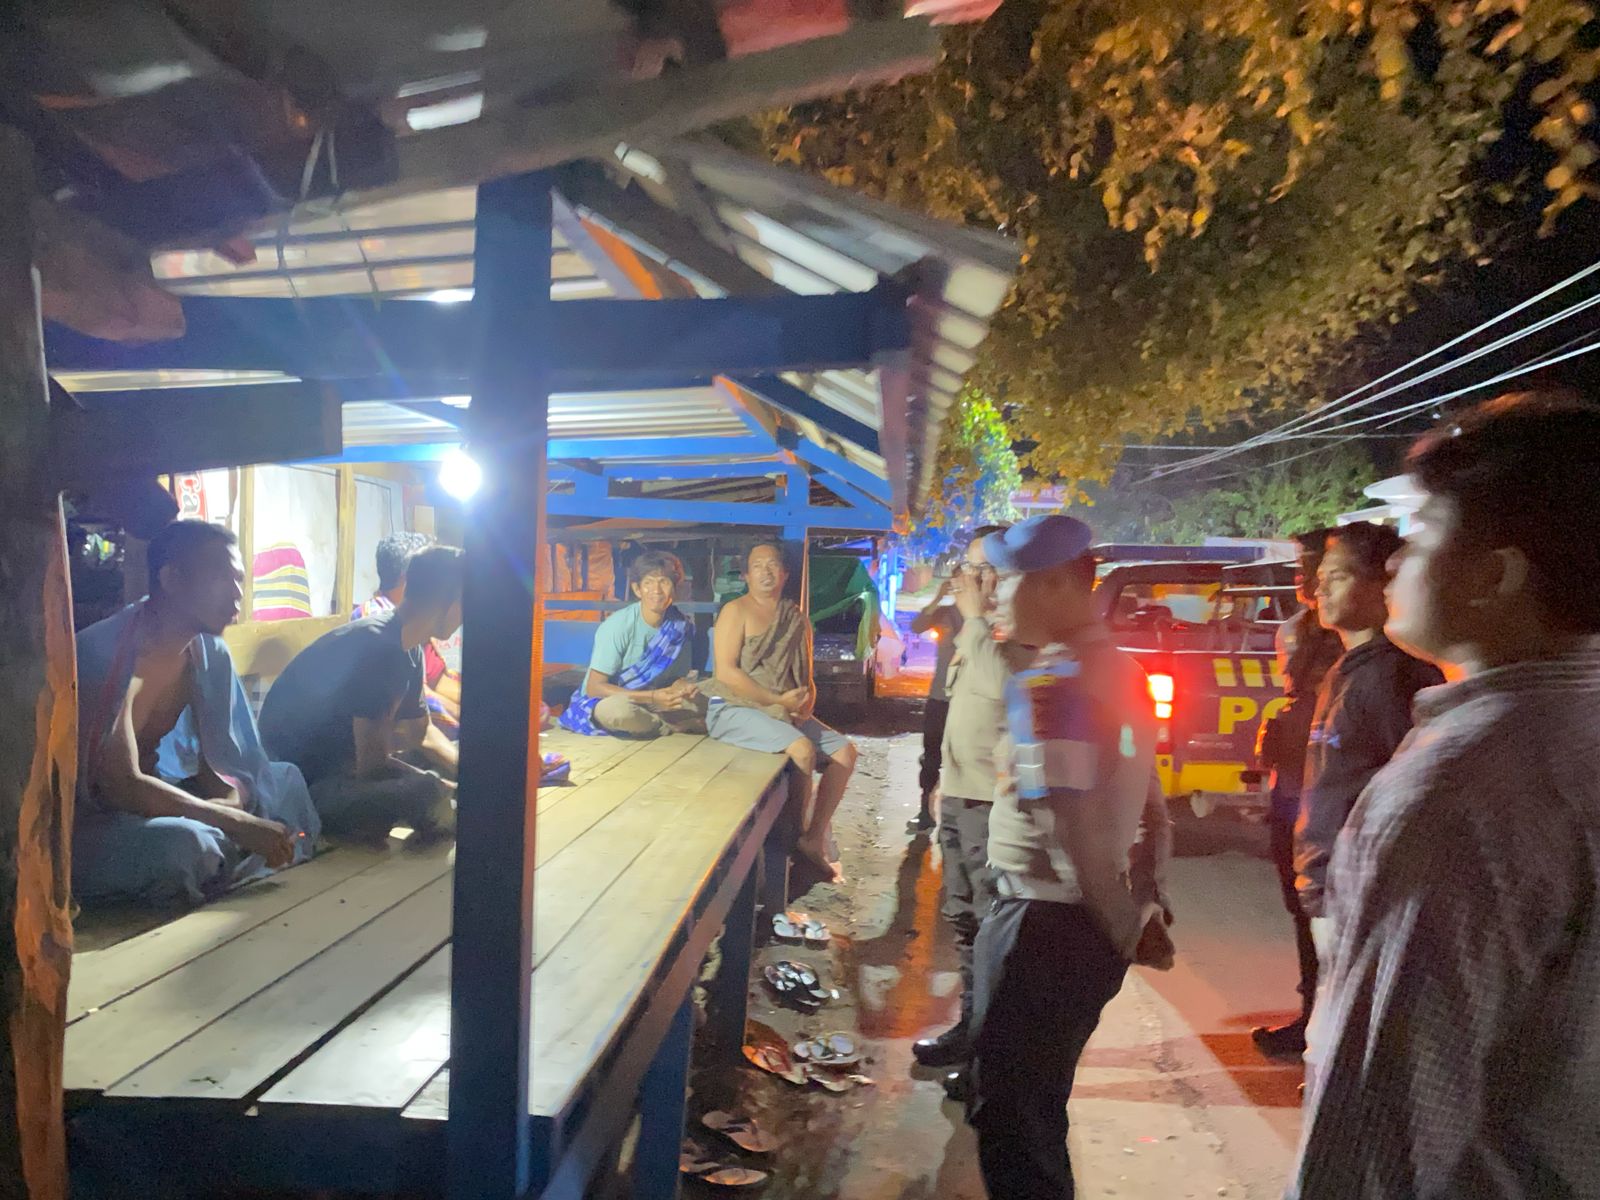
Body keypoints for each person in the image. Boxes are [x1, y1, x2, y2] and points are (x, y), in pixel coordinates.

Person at [1290, 393, 1600, 1198]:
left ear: (1495, 576)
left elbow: (1377, 1136)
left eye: (1421, 533)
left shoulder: (1461, 791)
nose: (1394, 561)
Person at [968, 515, 1174, 1200]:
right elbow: (1151, 804)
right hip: (1076, 927)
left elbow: (1073, 827)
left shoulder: (1054, 682)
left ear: (1055, 584)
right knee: (1037, 1109)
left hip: (1041, 925)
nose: (993, 594)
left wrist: (1123, 925)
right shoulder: (1123, 670)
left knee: (1012, 1120)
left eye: (1004, 581)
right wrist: (1143, 902)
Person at [74, 520, 318, 906]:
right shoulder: (102, 654)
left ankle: (226, 858)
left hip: (157, 800)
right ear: (171, 578)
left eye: (239, 579)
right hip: (93, 821)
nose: (237, 593)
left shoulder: (208, 651)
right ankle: (228, 859)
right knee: (185, 845)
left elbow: (225, 761)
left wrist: (230, 802)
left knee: (285, 779)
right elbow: (120, 786)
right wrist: (231, 821)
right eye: (222, 577)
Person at [1293, 521, 1443, 1087]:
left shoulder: (1394, 677)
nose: (1319, 588)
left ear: (1382, 584)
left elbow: (1406, 790)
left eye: (1337, 576)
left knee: (1348, 1051)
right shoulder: (1347, 669)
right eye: (1320, 576)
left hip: (1361, 891)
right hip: (1329, 885)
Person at [260, 545, 464, 838]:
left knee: (436, 765)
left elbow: (421, 734)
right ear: (450, 603)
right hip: (304, 790)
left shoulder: (409, 647)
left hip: (346, 771)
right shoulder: (380, 649)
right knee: (426, 792)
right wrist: (446, 788)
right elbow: (373, 767)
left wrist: (467, 774)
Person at [912, 526, 1019, 1076]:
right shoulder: (974, 626)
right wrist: (942, 784)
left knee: (991, 928)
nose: (968, 579)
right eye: (967, 568)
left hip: (992, 805)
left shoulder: (1017, 630)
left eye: (979, 569)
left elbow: (1003, 690)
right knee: (963, 922)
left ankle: (990, 1054)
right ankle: (972, 1031)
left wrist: (975, 619)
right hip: (961, 795)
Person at [703, 542, 858, 880]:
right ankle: (792, 835)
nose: (766, 572)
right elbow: (726, 673)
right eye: (758, 565)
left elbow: (806, 675)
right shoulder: (735, 611)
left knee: (845, 753)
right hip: (734, 708)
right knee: (801, 749)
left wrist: (805, 704)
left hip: (782, 710)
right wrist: (777, 701)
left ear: (785, 574)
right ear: (746, 575)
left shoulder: (795, 617)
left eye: (772, 564)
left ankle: (813, 838)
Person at [1251, 529, 1343, 1058]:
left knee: (1327, 907)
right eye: (1302, 567)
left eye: (1317, 567)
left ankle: (1329, 1023)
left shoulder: (1362, 644)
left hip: (1329, 788)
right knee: (1300, 902)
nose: (1304, 578)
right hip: (1292, 783)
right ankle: (1311, 1013)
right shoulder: (1295, 630)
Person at [559, 550, 701, 737]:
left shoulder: (679, 627)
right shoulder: (618, 625)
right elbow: (595, 687)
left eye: (664, 582)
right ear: (637, 589)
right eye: (648, 582)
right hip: (615, 700)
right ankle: (663, 725)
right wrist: (651, 698)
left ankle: (661, 722)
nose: (657, 590)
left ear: (674, 588)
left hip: (656, 700)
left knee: (708, 699)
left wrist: (682, 687)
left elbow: (674, 678)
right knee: (617, 712)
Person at [356, 531, 463, 742]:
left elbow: (437, 681)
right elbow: (420, 705)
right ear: (408, 579)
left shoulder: (414, 634)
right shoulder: (379, 629)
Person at [908, 570, 965, 831]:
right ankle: (925, 808)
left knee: (965, 758)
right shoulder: (944, 613)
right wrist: (937, 598)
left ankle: (960, 816)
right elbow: (917, 626)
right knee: (931, 756)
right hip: (940, 697)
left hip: (970, 701)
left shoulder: (989, 615)